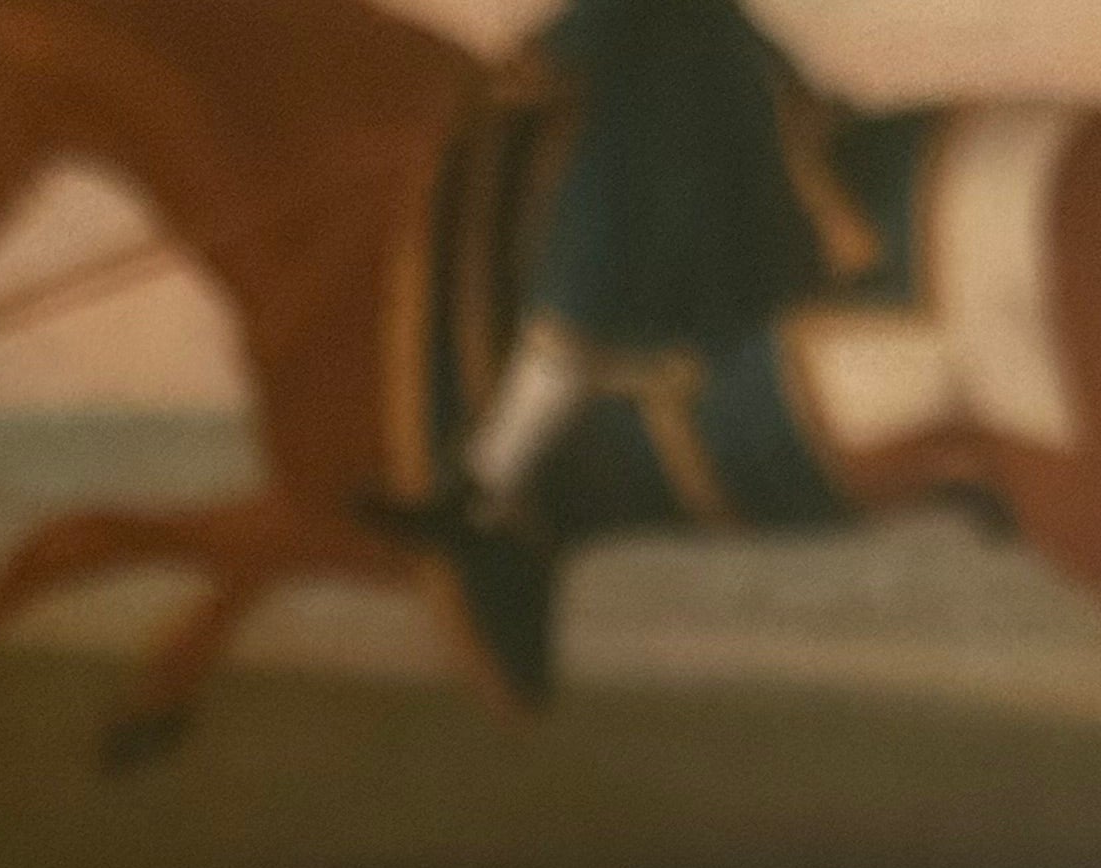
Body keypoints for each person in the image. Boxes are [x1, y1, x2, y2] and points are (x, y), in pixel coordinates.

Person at [375, 0, 874, 701]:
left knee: (565, 318)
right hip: (724, 175)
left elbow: (555, 53)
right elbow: (768, 58)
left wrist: (497, 81)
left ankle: (478, 497)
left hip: (645, 173)